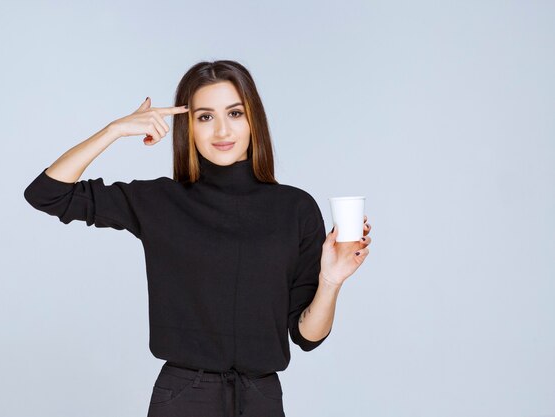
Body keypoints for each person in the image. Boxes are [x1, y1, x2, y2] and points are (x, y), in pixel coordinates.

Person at [24, 60, 372, 417]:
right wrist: (115, 129)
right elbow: (47, 193)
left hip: (262, 399)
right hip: (184, 398)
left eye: (235, 113)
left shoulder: (295, 208)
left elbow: (307, 336)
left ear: (254, 120)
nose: (222, 130)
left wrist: (330, 280)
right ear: (187, 128)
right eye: (205, 117)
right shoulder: (160, 201)